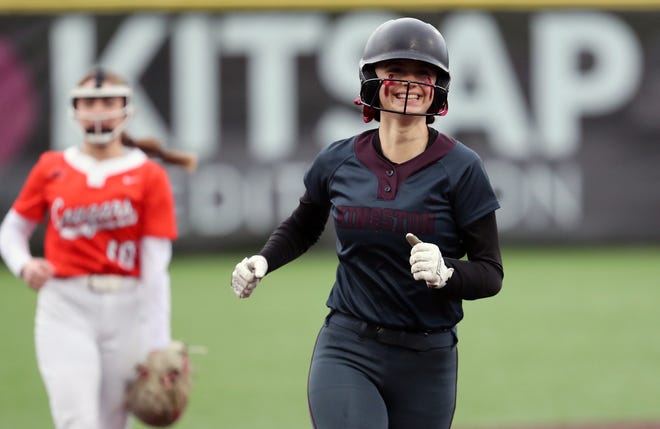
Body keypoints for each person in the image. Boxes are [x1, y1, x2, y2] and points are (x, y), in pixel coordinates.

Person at [230, 17, 503, 429]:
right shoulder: (338, 159)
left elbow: (490, 272)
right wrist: (263, 260)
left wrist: (447, 273)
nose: (409, 84)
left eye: (423, 74)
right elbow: (304, 224)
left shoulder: (462, 168)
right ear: (373, 81)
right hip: (348, 346)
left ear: (439, 89)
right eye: (396, 72)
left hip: (428, 358)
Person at [0, 67, 196, 429]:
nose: (100, 110)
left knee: (111, 422)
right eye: (90, 103)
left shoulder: (149, 175)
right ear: (75, 110)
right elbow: (11, 229)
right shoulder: (52, 166)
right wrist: (23, 265)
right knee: (76, 420)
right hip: (66, 306)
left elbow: (155, 268)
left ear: (126, 109)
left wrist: (158, 342)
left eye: (109, 101)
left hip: (127, 309)